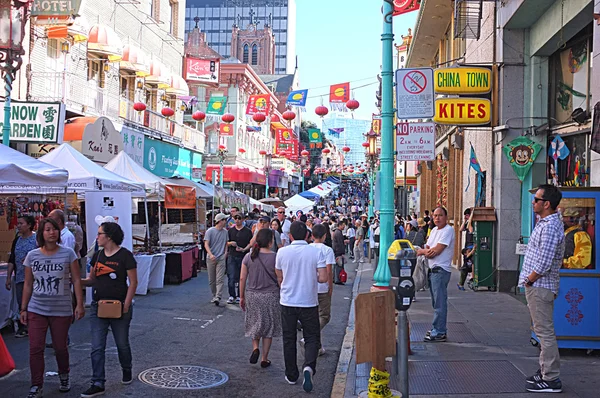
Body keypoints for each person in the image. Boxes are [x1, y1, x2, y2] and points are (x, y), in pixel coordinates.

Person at [20, 218, 84, 398]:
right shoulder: (32, 256)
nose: (51, 232)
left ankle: (64, 375)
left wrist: (79, 304)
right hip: (36, 307)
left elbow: (77, 280)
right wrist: (23, 308)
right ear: (41, 233)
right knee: (35, 347)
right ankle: (36, 385)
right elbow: (27, 284)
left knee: (60, 347)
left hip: (61, 309)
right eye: (47, 229)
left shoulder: (68, 253)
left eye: (54, 229)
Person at [80, 222, 138, 397]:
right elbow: (91, 280)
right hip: (99, 307)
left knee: (122, 344)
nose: (97, 237)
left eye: (99, 234)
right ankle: (98, 382)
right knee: (97, 347)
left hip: (119, 307)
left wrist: (126, 305)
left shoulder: (125, 256)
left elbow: (133, 282)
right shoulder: (97, 256)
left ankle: (126, 368)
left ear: (109, 236)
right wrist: (76, 280)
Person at [520, 184, 564, 393]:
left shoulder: (550, 227)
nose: (533, 202)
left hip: (540, 286)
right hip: (538, 286)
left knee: (545, 333)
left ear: (546, 204)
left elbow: (544, 263)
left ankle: (551, 378)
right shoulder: (546, 223)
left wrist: (529, 280)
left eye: (536, 199)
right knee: (541, 330)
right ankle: (545, 370)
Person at [275, 221, 327, 392]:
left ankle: (291, 374)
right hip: (308, 301)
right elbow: (323, 278)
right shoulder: (314, 251)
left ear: (290, 235)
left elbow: (279, 277)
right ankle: (309, 367)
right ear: (307, 235)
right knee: (312, 337)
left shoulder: (282, 252)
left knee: (289, 338)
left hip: (288, 301)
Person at [239, 228, 281, 368]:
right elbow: (280, 278)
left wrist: (241, 296)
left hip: (253, 295)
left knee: (255, 323)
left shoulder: (249, 256)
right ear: (270, 242)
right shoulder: (275, 257)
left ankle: (255, 348)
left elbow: (242, 278)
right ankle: (264, 358)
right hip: (271, 295)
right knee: (268, 328)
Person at [416, 207, 455, 342]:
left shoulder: (448, 230)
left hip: (441, 270)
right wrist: (426, 250)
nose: (437, 218)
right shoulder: (433, 230)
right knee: (435, 302)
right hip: (432, 270)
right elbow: (429, 248)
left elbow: (436, 251)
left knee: (439, 302)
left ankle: (439, 331)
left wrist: (421, 252)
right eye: (435, 216)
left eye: (440, 215)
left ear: (446, 216)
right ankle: (437, 327)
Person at [6, 215, 37, 338]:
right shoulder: (17, 240)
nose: (18, 226)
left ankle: (34, 325)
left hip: (34, 277)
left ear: (29, 225)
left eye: (21, 223)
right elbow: (12, 259)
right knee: (21, 301)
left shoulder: (36, 239)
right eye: (17, 223)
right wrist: (9, 277)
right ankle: (24, 326)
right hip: (20, 276)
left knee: (34, 301)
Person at [309, 224, 335, 356]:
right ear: (325, 235)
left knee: (313, 315)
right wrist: (331, 286)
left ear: (312, 236)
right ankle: (309, 337)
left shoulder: (307, 248)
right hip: (322, 287)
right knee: (324, 316)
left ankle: (317, 346)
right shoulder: (327, 250)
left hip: (309, 286)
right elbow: (329, 270)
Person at [226, 213, 253, 304]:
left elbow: (251, 243)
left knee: (241, 277)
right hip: (232, 255)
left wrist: (244, 249)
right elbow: (226, 242)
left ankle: (239, 295)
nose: (237, 220)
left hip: (243, 256)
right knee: (231, 276)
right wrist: (230, 243)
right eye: (235, 218)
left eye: (239, 218)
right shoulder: (230, 231)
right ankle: (231, 295)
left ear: (242, 219)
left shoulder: (247, 231)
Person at [204, 213, 229, 306]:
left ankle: (218, 296)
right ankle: (214, 295)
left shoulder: (225, 232)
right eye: (224, 220)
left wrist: (225, 253)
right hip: (211, 257)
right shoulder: (210, 231)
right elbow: (206, 244)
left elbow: (226, 243)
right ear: (220, 221)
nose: (226, 222)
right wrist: (210, 254)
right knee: (212, 279)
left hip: (221, 257)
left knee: (220, 278)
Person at [457, 209, 475, 290]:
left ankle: (471, 278)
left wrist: (471, 215)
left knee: (471, 263)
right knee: (466, 264)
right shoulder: (468, 223)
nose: (465, 217)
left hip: (471, 246)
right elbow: (460, 229)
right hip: (468, 246)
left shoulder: (472, 225)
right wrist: (465, 220)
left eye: (467, 215)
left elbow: (469, 227)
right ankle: (462, 282)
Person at [332, 221, 347, 285]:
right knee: (339, 266)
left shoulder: (337, 232)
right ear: (340, 225)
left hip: (336, 251)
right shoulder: (338, 233)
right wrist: (342, 252)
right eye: (343, 225)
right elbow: (340, 243)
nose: (344, 227)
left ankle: (336, 278)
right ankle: (338, 279)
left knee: (337, 266)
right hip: (338, 251)